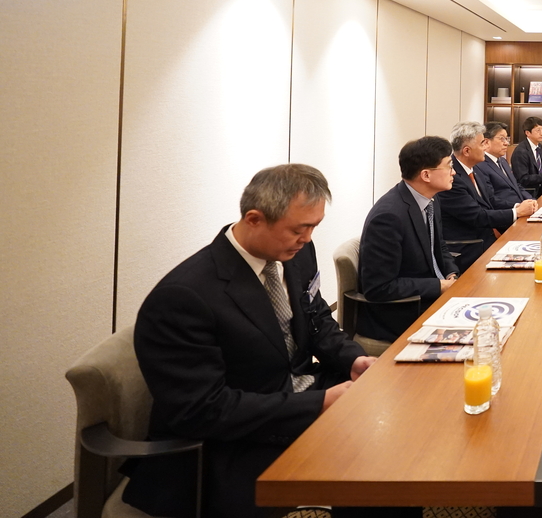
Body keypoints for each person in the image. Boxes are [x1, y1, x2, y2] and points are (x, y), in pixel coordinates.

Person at [124, 164, 391, 518]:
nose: (308, 238)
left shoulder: (293, 254)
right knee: (368, 474)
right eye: (300, 228)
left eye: (314, 227)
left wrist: (353, 359)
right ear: (254, 219)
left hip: (300, 393)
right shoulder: (186, 296)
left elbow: (317, 321)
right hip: (235, 439)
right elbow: (203, 410)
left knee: (393, 439)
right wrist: (321, 403)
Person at [357, 136, 462, 342]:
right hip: (403, 312)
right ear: (426, 175)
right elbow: (379, 287)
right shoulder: (388, 217)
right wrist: (439, 286)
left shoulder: (430, 199)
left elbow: (438, 246)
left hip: (434, 296)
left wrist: (450, 274)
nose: (454, 172)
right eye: (449, 166)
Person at [439, 121, 538, 272]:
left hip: (488, 238)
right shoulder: (453, 178)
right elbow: (477, 216)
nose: (485, 148)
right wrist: (516, 213)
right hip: (471, 247)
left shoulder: (475, 170)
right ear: (466, 151)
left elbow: (491, 200)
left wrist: (518, 206)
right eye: (482, 144)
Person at [475, 120, 534, 207]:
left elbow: (516, 186)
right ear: (486, 142)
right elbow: (491, 199)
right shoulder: (480, 165)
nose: (506, 143)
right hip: (507, 213)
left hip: (522, 208)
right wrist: (517, 206)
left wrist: (531, 200)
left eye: (506, 139)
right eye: (502, 138)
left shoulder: (503, 161)